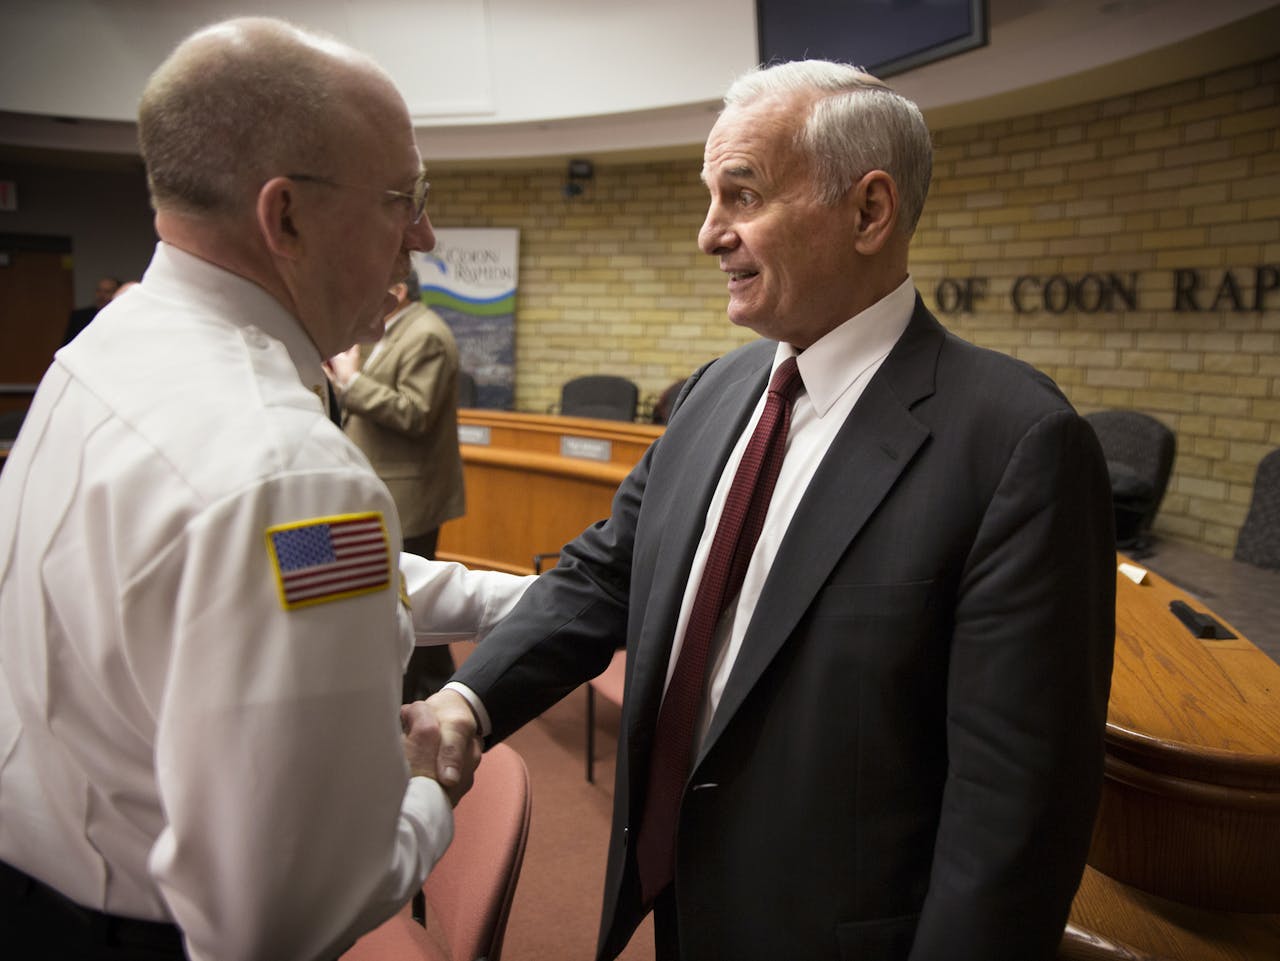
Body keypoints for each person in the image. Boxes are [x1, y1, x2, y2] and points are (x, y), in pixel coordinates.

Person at [427, 60, 1117, 961]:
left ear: (869, 212)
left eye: (741, 195)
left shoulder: (1019, 443)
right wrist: (468, 698)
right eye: (710, 198)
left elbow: (1014, 809)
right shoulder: (717, 390)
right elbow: (605, 574)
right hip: (678, 891)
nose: (709, 234)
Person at [0, 17, 532, 961]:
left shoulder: (103, 351)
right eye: (401, 199)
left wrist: (528, 600)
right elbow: (278, 922)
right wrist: (430, 790)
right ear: (284, 216)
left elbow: (278, 571)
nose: (425, 233)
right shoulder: (291, 472)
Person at [327, 270, 467, 700]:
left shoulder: (425, 335)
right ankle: (438, 688)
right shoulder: (399, 330)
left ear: (398, 291)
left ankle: (412, 702)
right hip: (394, 487)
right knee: (415, 607)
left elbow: (414, 413)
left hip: (410, 495)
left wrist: (351, 382)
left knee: (406, 603)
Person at [60, 274, 120, 344]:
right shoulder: (79, 317)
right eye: (98, 291)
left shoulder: (121, 317)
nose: (101, 295)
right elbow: (68, 343)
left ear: (116, 294)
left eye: (107, 292)